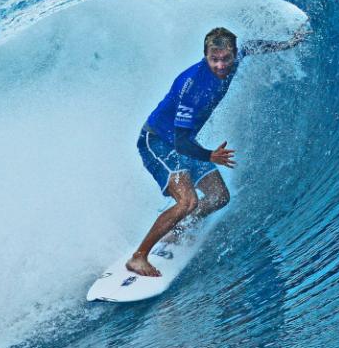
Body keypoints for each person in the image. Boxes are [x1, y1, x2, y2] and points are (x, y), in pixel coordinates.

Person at [127, 24, 307, 277]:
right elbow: (180, 143)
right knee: (188, 201)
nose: (221, 65)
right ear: (205, 56)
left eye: (226, 59)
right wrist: (210, 156)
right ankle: (139, 257)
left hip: (184, 144)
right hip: (157, 142)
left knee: (219, 197)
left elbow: (252, 46)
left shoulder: (235, 58)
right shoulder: (192, 87)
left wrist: (288, 43)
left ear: (233, 54)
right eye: (214, 60)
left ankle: (176, 229)